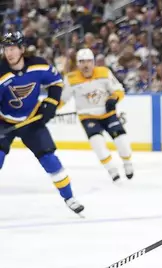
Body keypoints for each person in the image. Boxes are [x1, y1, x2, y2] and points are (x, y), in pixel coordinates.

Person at [0, 32, 84, 214]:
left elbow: (56, 82)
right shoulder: (1, 72)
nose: (9, 53)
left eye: (13, 48)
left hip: (31, 120)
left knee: (49, 158)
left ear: (22, 49)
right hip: (4, 121)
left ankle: (69, 197)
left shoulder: (38, 65)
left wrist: (50, 104)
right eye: (6, 48)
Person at [61, 48, 133, 182]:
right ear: (77, 64)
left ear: (94, 62)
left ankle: (128, 163)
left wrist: (114, 99)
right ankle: (112, 170)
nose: (86, 65)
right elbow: (62, 99)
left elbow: (119, 90)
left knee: (121, 140)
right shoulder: (71, 79)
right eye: (82, 62)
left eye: (88, 61)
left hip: (108, 114)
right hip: (88, 117)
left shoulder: (104, 72)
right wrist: (50, 109)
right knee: (97, 143)